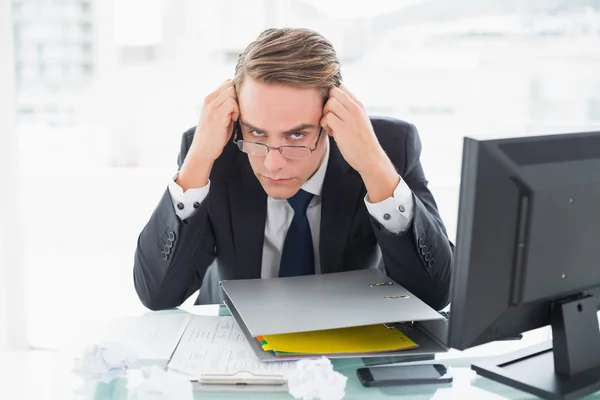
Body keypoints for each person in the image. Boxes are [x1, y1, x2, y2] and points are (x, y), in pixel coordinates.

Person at [134, 28, 453, 312]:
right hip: (231, 338)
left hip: (345, 341)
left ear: (330, 121)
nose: (273, 164)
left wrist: (373, 166)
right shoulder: (213, 149)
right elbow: (157, 295)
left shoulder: (389, 147)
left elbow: (437, 294)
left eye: (296, 135)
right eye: (256, 133)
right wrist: (198, 159)